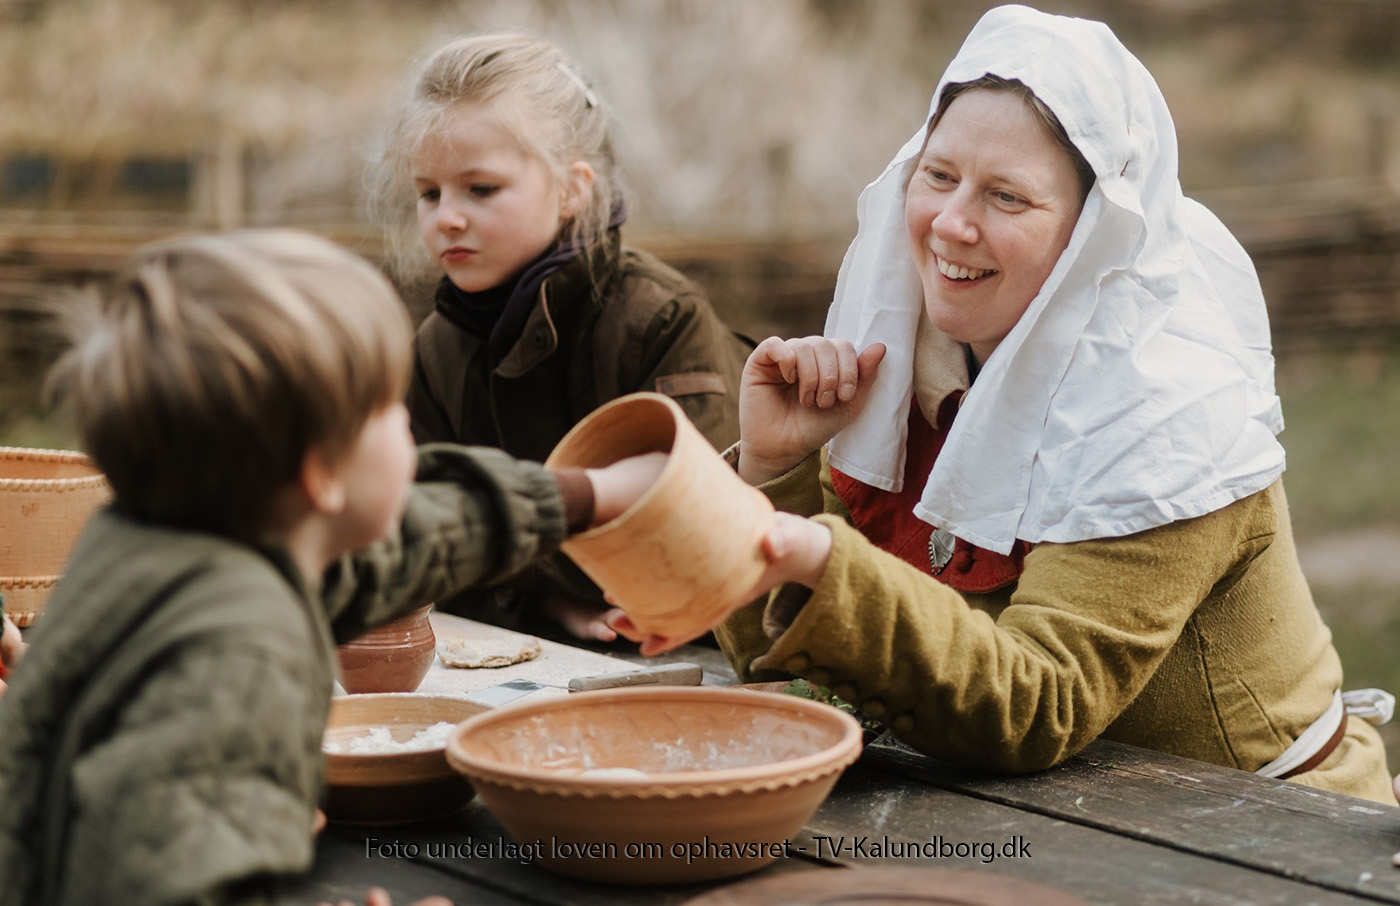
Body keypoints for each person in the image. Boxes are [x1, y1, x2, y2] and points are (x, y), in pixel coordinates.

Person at [617, 5, 1395, 804]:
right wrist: (776, 469)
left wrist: (815, 555)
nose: (952, 224)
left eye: (1007, 197)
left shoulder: (1163, 418)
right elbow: (803, 674)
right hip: (1053, 821)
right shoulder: (913, 375)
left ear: (1090, 233)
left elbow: (1034, 707)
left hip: (1270, 834)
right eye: (940, 175)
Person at [0, 230, 663, 906]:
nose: (409, 428)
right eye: (388, 411)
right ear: (321, 474)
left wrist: (587, 495)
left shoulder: (170, 542)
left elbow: (408, 541)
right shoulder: (238, 653)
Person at [369, 32, 754, 642]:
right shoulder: (435, 348)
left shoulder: (661, 319)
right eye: (428, 192)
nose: (446, 216)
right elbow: (419, 534)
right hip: (531, 645)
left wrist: (526, 566)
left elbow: (704, 523)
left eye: (482, 188)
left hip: (699, 650)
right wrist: (542, 609)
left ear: (573, 188)